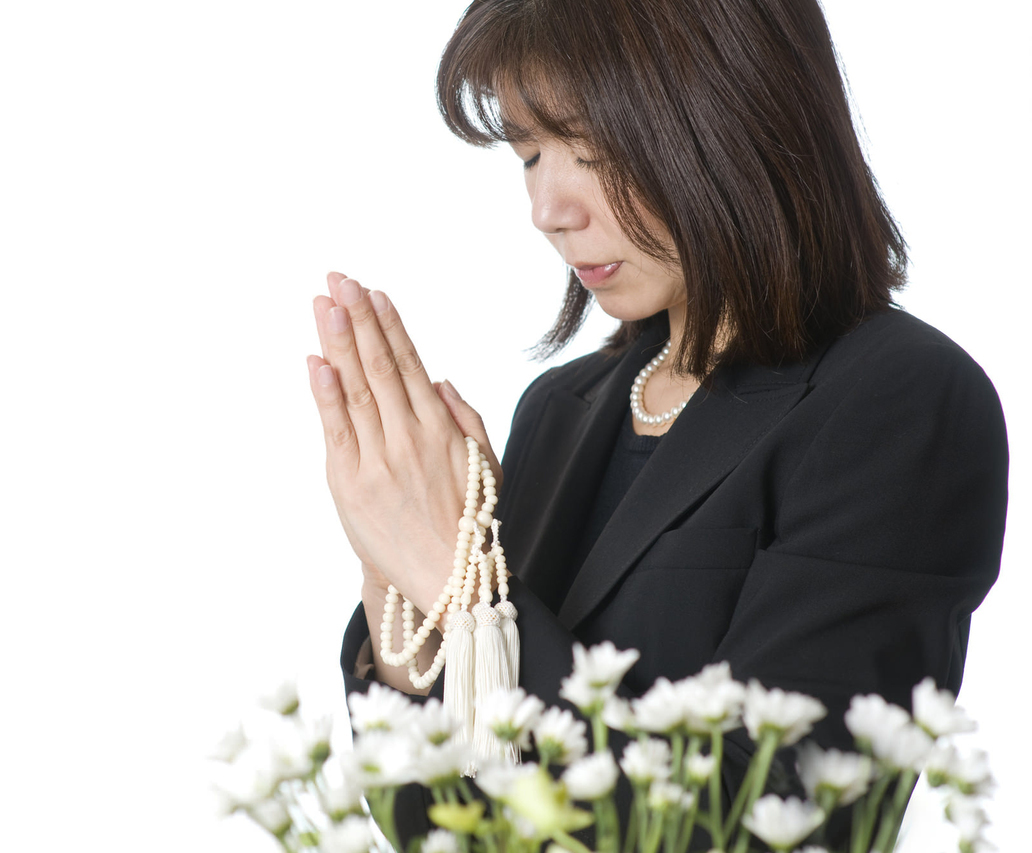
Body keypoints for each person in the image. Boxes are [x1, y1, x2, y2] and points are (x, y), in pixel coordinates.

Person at [304, 0, 1008, 843]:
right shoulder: (560, 410)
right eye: (529, 155)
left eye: (592, 151)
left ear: (736, 114)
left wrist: (464, 589)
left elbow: (776, 822)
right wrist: (399, 569)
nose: (548, 208)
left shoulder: (900, 398)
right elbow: (442, 828)